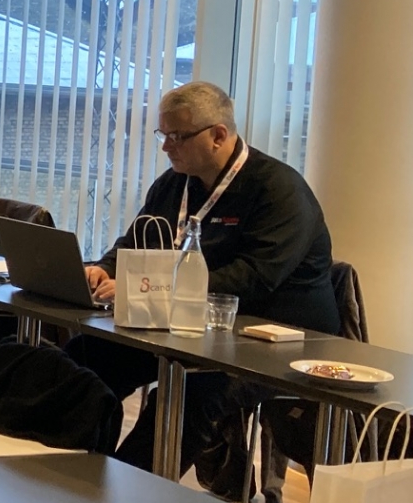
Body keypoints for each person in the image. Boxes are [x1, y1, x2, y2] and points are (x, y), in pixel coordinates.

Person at [68, 81, 337, 476]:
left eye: (177, 136)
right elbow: (136, 239)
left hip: (274, 340)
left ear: (218, 136)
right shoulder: (176, 182)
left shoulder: (279, 190)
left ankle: (131, 493)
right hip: (189, 325)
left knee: (189, 394)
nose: (166, 146)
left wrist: (153, 289)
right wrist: (106, 268)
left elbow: (254, 277)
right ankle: (70, 469)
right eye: (163, 134)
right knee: (86, 356)